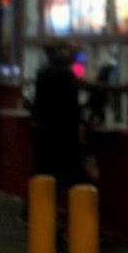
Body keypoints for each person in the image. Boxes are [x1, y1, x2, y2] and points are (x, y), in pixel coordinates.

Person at [30, 42, 84, 188]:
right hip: (62, 130)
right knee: (70, 172)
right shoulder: (65, 74)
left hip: (44, 129)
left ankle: (35, 206)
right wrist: (79, 57)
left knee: (43, 171)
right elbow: (80, 78)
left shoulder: (42, 73)